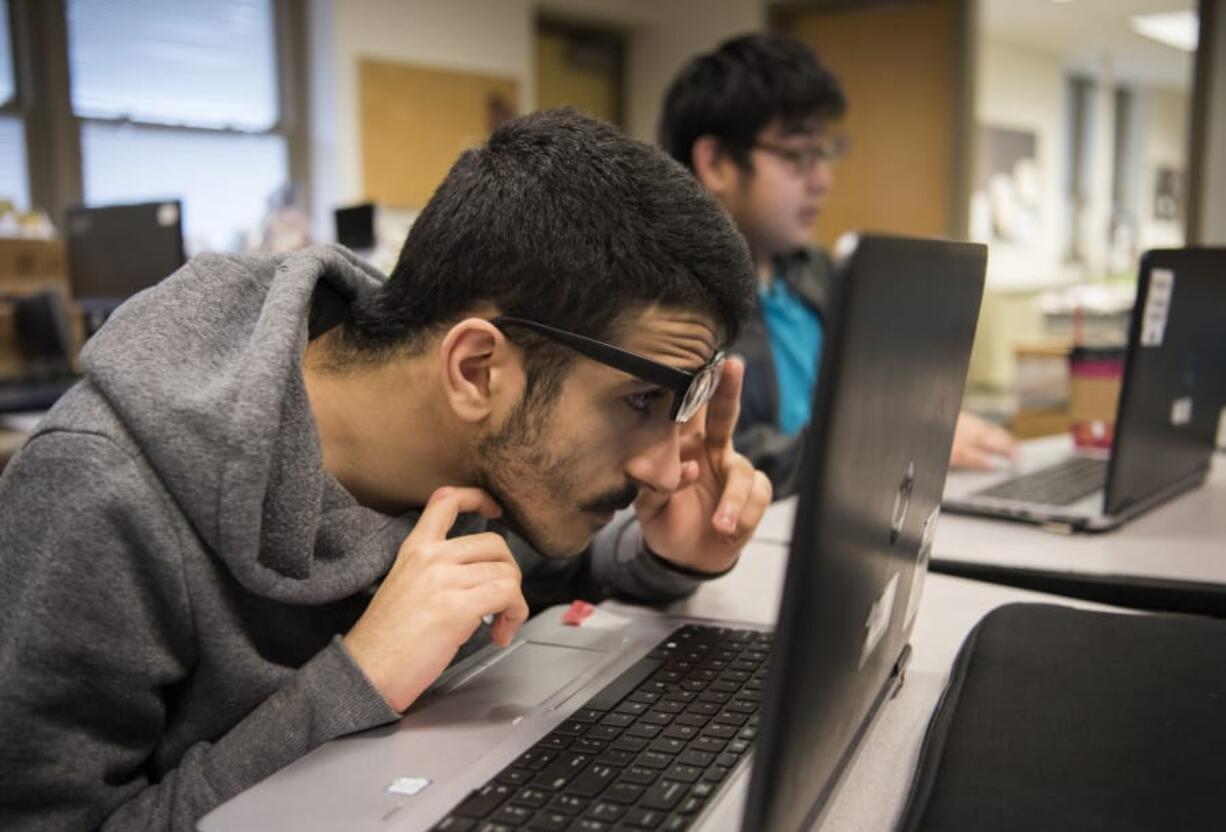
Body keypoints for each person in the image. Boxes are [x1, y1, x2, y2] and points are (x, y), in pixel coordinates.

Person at [0, 109, 772, 830]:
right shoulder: (101, 492)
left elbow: (546, 574)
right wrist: (354, 682)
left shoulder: (469, 435)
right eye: (643, 400)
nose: (670, 471)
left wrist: (666, 553)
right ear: (475, 370)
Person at [659, 33, 1016, 495]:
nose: (822, 180)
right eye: (798, 156)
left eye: (824, 154)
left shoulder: (818, 273)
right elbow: (716, 457)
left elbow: (877, 401)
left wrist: (923, 423)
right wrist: (890, 442)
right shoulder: (670, 300)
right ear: (718, 162)